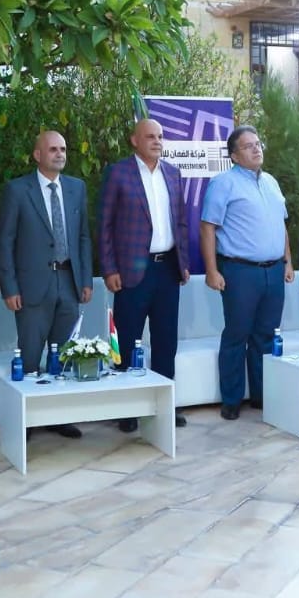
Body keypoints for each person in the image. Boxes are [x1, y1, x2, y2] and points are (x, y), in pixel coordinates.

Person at [0, 130, 93, 439]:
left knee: (63, 354)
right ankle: (25, 420)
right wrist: (10, 287)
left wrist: (85, 279)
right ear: (37, 155)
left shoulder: (76, 188)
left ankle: (58, 416)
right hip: (32, 284)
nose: (60, 154)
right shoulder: (17, 190)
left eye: (63, 149)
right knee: (30, 353)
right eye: (53, 149)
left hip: (68, 280)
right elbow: (5, 241)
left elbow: (83, 237)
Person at [99, 118, 190, 429]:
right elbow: (104, 225)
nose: (157, 141)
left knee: (166, 341)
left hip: (168, 270)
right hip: (131, 271)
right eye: (150, 136)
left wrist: (183, 262)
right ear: (134, 140)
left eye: (160, 136)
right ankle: (127, 410)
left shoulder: (173, 174)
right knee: (127, 340)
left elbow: (181, 223)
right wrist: (109, 268)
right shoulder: (118, 173)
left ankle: (164, 406)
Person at [201, 125, 292, 420]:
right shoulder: (223, 183)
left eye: (258, 143)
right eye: (248, 146)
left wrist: (288, 262)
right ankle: (231, 400)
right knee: (237, 335)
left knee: (266, 336)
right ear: (234, 156)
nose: (256, 149)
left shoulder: (271, 182)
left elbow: (281, 225)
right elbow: (207, 228)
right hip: (240, 272)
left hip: (273, 271)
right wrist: (212, 271)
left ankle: (261, 396)